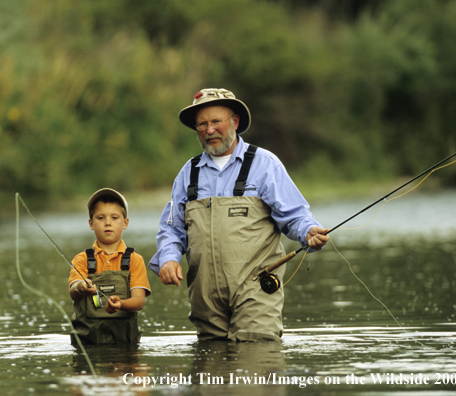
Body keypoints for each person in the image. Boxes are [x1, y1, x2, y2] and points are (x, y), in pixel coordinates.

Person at [149, 88, 329, 342]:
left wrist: (309, 232)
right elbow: (172, 229)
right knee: (210, 368)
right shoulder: (187, 174)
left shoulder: (265, 164)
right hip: (204, 296)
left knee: (255, 354)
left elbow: (295, 217)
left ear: (235, 121)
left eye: (215, 122)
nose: (209, 130)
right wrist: (168, 259)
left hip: (257, 288)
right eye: (202, 124)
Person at [69, 188, 151, 344]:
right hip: (87, 343)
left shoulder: (135, 260)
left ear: (125, 223)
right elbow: (73, 292)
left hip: (125, 343)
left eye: (114, 217)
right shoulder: (81, 259)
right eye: (101, 218)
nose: (108, 223)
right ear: (91, 224)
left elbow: (139, 302)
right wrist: (81, 287)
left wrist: (121, 304)